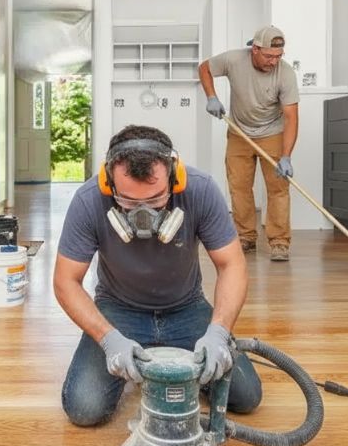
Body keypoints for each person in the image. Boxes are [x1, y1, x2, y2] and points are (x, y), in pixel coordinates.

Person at [53, 124, 262, 427]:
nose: (142, 214)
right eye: (127, 201)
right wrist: (109, 340)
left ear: (174, 179)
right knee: (84, 408)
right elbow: (65, 281)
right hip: (118, 310)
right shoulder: (89, 201)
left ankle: (171, 363)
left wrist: (218, 332)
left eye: (154, 200)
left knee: (246, 397)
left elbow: (232, 265)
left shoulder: (200, 190)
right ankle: (141, 357)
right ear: (108, 182)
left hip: (186, 307)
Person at [198, 25, 300, 260]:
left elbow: (291, 116)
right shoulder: (234, 60)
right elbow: (204, 68)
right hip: (239, 132)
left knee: (278, 188)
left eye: (278, 56)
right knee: (239, 186)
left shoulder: (285, 74)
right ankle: (245, 237)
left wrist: (286, 156)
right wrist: (211, 96)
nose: (274, 62)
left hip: (272, 133)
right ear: (254, 49)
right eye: (268, 56)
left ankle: (279, 242)